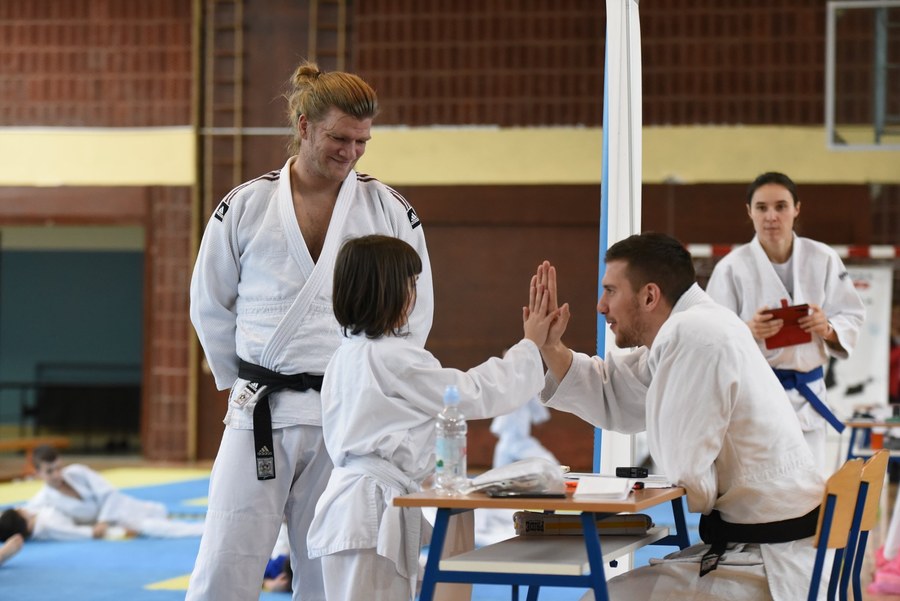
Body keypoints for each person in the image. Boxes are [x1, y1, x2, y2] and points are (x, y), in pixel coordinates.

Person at [186, 61, 433, 601]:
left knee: (328, 568)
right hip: (261, 407)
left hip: (346, 416)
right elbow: (209, 304)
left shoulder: (388, 209)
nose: (352, 152)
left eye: (362, 141)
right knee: (226, 559)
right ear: (304, 125)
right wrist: (241, 379)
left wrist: (378, 388)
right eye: (339, 138)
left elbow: (415, 314)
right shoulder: (246, 205)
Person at [535, 233, 825, 601]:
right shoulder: (699, 325)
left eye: (610, 291)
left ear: (649, 296)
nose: (601, 306)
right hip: (772, 548)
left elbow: (691, 478)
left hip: (766, 564)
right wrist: (550, 346)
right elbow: (615, 389)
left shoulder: (693, 333)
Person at [305, 235, 557, 600]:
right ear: (387, 291)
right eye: (410, 284)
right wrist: (530, 346)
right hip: (368, 514)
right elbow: (470, 393)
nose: (414, 296)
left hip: (352, 511)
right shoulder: (391, 357)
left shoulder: (346, 355)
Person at [705, 172, 865, 472]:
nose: (771, 216)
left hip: (808, 394)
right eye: (762, 207)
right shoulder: (731, 268)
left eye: (781, 206)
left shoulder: (823, 257)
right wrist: (748, 330)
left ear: (796, 209)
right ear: (749, 212)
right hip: (755, 398)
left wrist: (827, 327)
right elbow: (711, 335)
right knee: (764, 485)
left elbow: (851, 313)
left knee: (810, 485)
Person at [21, 445, 205, 539]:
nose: (57, 474)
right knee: (163, 529)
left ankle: (206, 526)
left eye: (58, 468)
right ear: (37, 473)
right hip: (116, 526)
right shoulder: (42, 499)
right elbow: (20, 516)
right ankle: (207, 531)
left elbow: (109, 493)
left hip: (121, 506)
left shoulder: (78, 471)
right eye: (49, 471)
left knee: (161, 512)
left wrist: (103, 520)